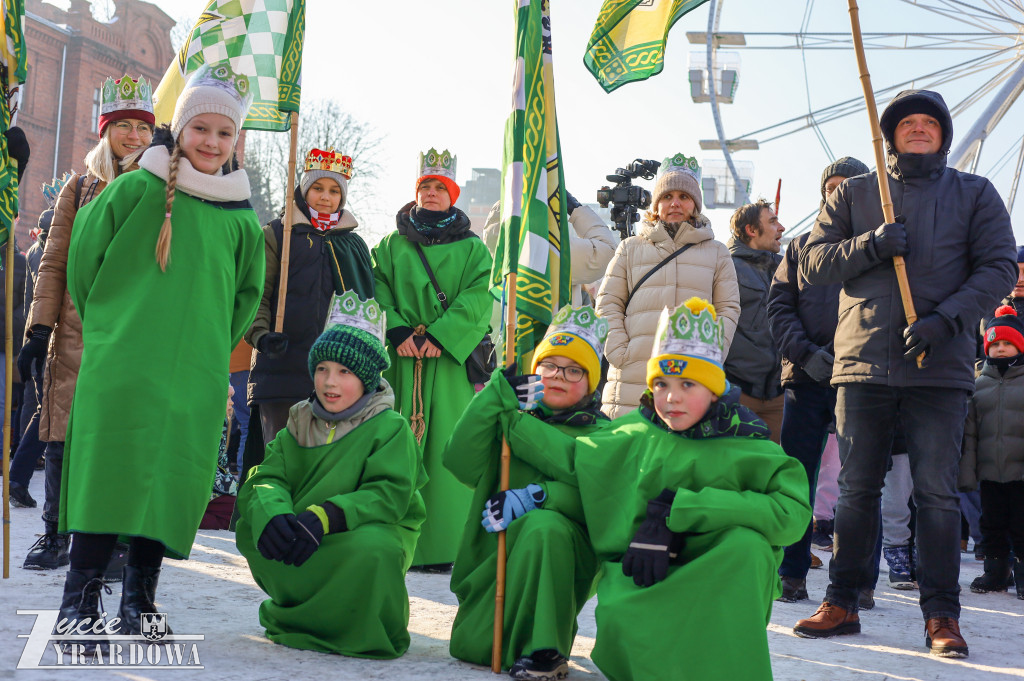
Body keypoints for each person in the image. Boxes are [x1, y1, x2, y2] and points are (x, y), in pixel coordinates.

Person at [794, 89, 1018, 658]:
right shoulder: (854, 193)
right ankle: (842, 600)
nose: (918, 128)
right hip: (862, 361)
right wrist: (871, 245)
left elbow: (998, 265)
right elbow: (813, 264)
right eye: (907, 122)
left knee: (936, 494)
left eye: (929, 122)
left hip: (940, 367)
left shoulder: (975, 193)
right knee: (856, 490)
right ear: (890, 133)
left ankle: (942, 613)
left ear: (943, 134)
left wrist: (948, 320)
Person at [54, 62, 264, 645]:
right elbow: (83, 263)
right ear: (180, 127)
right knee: (109, 473)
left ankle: (139, 598)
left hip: (192, 375)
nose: (211, 142)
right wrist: (112, 329)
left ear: (235, 141)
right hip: (123, 366)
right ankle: (79, 599)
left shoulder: (241, 220)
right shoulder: (135, 189)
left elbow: (244, 300)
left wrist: (205, 348)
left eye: (224, 133)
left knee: (167, 482)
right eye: (201, 129)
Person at [494, 297, 808, 681]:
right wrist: (507, 409)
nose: (672, 397)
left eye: (687, 384)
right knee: (625, 615)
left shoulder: (750, 445)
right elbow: (574, 459)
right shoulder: (632, 434)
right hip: (646, 574)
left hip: (719, 571)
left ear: (714, 390)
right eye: (661, 384)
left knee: (749, 547)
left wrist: (683, 508)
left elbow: (792, 515)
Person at [237, 293, 427, 657]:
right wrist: (272, 513)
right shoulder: (299, 418)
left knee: (375, 549)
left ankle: (361, 625)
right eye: (322, 369)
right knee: (254, 527)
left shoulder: (390, 427)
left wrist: (329, 516)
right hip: (304, 532)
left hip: (357, 531)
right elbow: (268, 476)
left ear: (367, 377)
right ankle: (300, 616)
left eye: (345, 372)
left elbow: (389, 494)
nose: (329, 382)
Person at [17, 76, 155, 573]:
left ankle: (114, 541)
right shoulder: (80, 188)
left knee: (119, 438)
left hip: (134, 331)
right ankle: (55, 534)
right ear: (106, 130)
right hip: (75, 329)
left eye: (143, 127)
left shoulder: (162, 188)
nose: (134, 136)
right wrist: (38, 329)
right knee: (61, 434)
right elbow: (53, 263)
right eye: (123, 126)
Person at [445, 305, 610, 679]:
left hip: (560, 562)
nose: (558, 376)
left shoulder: (604, 434)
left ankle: (544, 651)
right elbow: (458, 461)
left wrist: (538, 497)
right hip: (495, 560)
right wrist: (494, 395)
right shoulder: (505, 416)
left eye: (574, 370)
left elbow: (597, 495)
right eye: (549, 365)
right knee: (473, 647)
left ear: (592, 382)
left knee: (544, 527)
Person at [371, 148, 492, 571]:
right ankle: (390, 539)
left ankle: (443, 546)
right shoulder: (390, 245)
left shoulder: (474, 249)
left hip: (448, 362)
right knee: (395, 443)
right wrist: (397, 330)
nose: (432, 192)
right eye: (426, 186)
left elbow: (480, 296)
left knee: (445, 447)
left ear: (453, 194)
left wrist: (441, 336)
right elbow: (377, 287)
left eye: (441, 187)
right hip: (401, 359)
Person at [768, 156, 869, 602]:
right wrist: (806, 355)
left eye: (846, 186)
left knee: (861, 481)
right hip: (806, 377)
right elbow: (779, 307)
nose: (837, 194)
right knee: (797, 475)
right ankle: (791, 571)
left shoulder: (877, 245)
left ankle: (857, 581)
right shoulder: (799, 247)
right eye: (831, 187)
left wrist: (853, 357)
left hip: (862, 377)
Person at [246, 147, 373, 461]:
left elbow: (368, 306)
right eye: (317, 188)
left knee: (327, 464)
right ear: (304, 191)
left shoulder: (354, 245)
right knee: (279, 459)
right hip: (282, 368)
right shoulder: (277, 234)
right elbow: (256, 295)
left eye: (334, 191)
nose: (325, 197)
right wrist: (261, 336)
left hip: (336, 375)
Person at [597, 153, 739, 418]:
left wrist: (712, 353)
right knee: (626, 442)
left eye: (684, 196)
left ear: (695, 204)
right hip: (631, 378)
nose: (675, 203)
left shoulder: (717, 252)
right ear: (656, 203)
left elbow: (728, 309)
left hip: (691, 375)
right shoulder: (630, 248)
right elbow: (608, 303)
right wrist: (620, 351)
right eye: (667, 196)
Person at [958, 306, 1024, 599]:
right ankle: (996, 572)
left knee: (1021, 525)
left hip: (1020, 474)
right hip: (990, 473)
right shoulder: (978, 385)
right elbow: (970, 434)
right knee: (991, 524)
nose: (1000, 348)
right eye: (995, 344)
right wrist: (968, 474)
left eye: (1007, 343)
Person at [482, 194, 619, 306]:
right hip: (555, 330)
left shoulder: (494, 251)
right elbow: (607, 252)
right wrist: (574, 207)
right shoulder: (541, 248)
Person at [725, 198, 785, 441]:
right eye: (772, 222)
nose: (781, 228)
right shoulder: (726, 267)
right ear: (751, 230)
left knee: (775, 463)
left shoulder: (786, 269)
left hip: (780, 397)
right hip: (737, 393)